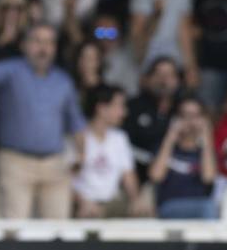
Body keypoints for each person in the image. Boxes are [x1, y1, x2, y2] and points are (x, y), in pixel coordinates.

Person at [0, 24, 85, 219]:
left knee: (58, 230)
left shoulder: (63, 81)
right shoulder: (12, 70)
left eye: (49, 43)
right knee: (15, 228)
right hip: (15, 162)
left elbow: (76, 123)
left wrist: (82, 155)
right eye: (37, 41)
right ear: (24, 45)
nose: (43, 48)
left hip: (55, 164)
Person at [73, 86, 144, 218]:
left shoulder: (120, 138)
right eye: (119, 106)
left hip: (113, 203)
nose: (124, 113)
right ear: (101, 108)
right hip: (83, 204)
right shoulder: (79, 136)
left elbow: (128, 176)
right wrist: (82, 201)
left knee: (144, 210)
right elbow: (67, 179)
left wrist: (136, 200)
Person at [148, 95, 218, 219]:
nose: (190, 121)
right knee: (208, 207)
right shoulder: (165, 146)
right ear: (176, 118)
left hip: (201, 205)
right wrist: (170, 136)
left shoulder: (206, 150)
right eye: (185, 115)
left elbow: (209, 177)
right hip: (169, 206)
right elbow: (156, 176)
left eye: (195, 116)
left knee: (209, 206)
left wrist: (206, 136)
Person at [126, 57, 182, 179]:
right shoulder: (133, 107)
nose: (164, 80)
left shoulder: (185, 108)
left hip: (177, 176)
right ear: (148, 79)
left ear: (177, 80)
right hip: (138, 174)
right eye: (158, 74)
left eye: (169, 75)